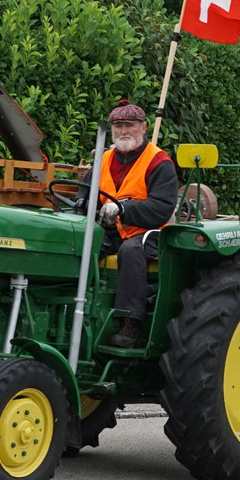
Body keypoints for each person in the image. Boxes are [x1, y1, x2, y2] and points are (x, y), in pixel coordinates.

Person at [81, 99, 177, 348]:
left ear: (143, 127)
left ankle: (130, 323)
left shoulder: (159, 163)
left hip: (150, 232)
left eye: (129, 125)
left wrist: (124, 209)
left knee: (132, 250)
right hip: (110, 230)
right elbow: (83, 196)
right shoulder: (103, 160)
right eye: (118, 126)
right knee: (80, 240)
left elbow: (162, 208)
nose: (123, 131)